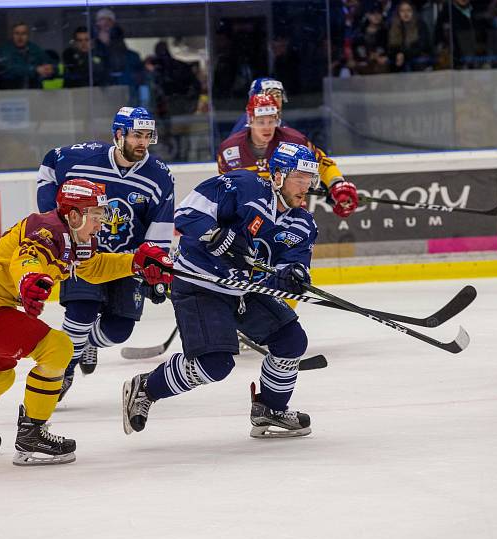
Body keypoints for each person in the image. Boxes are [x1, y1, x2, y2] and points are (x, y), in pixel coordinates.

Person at [0, 179, 171, 465]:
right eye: (96, 215)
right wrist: (29, 278)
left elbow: (93, 269)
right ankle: (32, 435)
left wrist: (134, 262)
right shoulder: (47, 230)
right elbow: (27, 258)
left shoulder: (75, 236)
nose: (101, 223)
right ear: (74, 215)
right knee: (58, 347)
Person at [122, 143, 320, 439]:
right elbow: (187, 214)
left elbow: (293, 264)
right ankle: (146, 388)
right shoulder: (244, 186)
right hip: (200, 284)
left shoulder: (302, 223)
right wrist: (216, 236)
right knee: (215, 364)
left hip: (243, 290)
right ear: (277, 175)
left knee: (291, 340)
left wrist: (292, 277)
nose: (306, 187)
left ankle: (270, 408)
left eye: (310, 180)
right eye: (300, 178)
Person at [37, 107, 175, 400]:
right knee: (80, 313)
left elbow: (160, 225)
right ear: (118, 134)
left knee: (119, 330)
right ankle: (64, 368)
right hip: (84, 254)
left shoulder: (159, 176)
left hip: (126, 262)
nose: (143, 142)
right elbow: (49, 165)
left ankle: (87, 345)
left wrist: (156, 269)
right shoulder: (81, 157)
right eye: (137, 135)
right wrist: (55, 220)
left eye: (148, 136)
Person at [218, 93, 359, 219]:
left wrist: (337, 184)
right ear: (250, 120)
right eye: (261, 121)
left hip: (289, 217)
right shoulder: (229, 150)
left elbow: (323, 164)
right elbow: (227, 189)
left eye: (271, 120)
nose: (267, 127)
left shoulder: (294, 141)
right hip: (249, 218)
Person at [0, 22, 54, 89]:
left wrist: (49, 69)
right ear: (12, 35)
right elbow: (9, 69)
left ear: (28, 35)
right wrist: (34, 69)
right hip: (10, 92)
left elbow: (50, 63)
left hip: (33, 92)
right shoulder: (5, 50)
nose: (20, 37)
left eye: (23, 33)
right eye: (17, 33)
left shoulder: (35, 49)